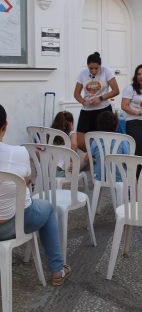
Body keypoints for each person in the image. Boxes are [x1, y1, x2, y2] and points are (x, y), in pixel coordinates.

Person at [0, 105, 71, 286]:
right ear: (5, 125)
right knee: (47, 209)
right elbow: (24, 178)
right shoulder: (19, 153)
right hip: (11, 224)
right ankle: (57, 270)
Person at [74, 52, 119, 151]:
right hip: (87, 110)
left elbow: (116, 90)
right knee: (80, 143)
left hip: (103, 110)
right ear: (87, 66)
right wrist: (83, 102)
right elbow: (76, 94)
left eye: (96, 68)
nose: (93, 71)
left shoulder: (106, 71)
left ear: (100, 66)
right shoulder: (82, 73)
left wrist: (100, 98)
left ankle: (101, 159)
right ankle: (93, 156)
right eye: (91, 68)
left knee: (105, 140)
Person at [121, 64, 142, 158]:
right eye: (139, 74)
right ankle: (136, 172)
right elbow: (124, 106)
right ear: (135, 76)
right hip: (133, 122)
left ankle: (141, 172)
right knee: (138, 151)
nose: (141, 77)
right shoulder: (130, 88)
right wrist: (137, 112)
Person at [89, 111, 130, 183]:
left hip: (100, 177)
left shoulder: (95, 141)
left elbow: (91, 156)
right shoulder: (123, 141)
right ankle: (127, 193)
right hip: (119, 178)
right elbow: (128, 159)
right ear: (117, 125)